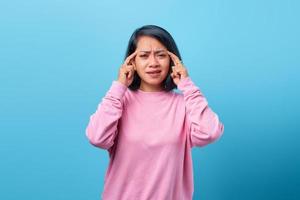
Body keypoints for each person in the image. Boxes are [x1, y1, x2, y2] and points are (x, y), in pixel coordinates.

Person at [85, 25, 224, 200]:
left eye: (161, 55)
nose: (153, 63)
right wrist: (118, 87)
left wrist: (188, 86)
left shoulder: (184, 105)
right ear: (131, 62)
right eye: (143, 56)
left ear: (173, 61)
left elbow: (209, 133)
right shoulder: (120, 102)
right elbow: (97, 137)